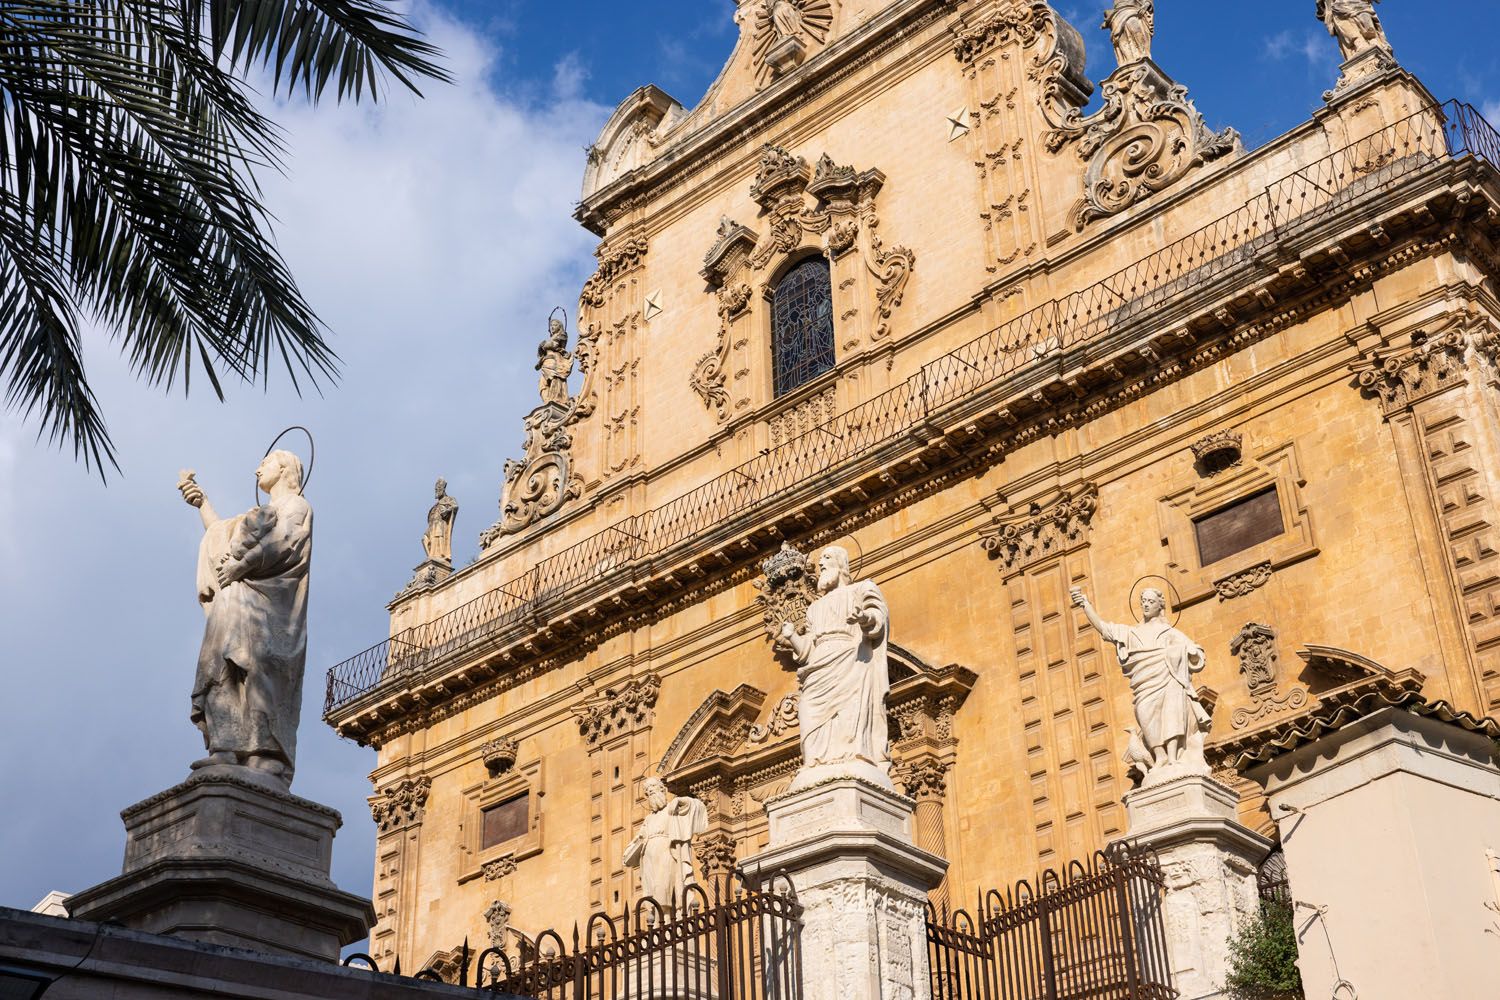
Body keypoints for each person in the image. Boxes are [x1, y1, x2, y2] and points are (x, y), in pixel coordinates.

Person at [177, 450, 312, 787]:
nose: (257, 468)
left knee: (259, 670)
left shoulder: (297, 507)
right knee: (220, 666)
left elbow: (288, 545)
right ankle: (225, 745)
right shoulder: (258, 514)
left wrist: (243, 565)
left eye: (264, 463)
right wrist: (203, 503)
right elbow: (222, 535)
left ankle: (264, 753)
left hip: (269, 609)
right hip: (232, 602)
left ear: (283, 469)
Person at [1070, 585, 1210, 775]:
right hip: (1144, 685)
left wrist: (1184, 651)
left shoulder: (1169, 632)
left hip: (1168, 680)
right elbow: (1104, 628)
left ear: (1160, 606)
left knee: (1171, 714)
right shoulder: (1131, 633)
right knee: (1144, 713)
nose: (1146, 605)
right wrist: (1085, 604)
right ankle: (1160, 756)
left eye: (1150, 601)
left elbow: (1196, 652)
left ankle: (1173, 757)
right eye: (1143, 601)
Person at [778, 546, 890, 779]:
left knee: (848, 720)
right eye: (819, 562)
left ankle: (852, 760)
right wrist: (792, 636)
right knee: (809, 714)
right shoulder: (815, 608)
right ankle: (816, 766)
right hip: (818, 668)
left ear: (841, 564)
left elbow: (877, 618)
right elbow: (809, 649)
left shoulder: (861, 589)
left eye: (826, 559)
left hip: (849, 659)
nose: (821, 565)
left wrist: (863, 618)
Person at [623, 778, 708, 910]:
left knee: (663, 891)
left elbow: (697, 806)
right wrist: (641, 839)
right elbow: (629, 853)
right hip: (648, 861)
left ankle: (668, 925)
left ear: (662, 790)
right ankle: (658, 926)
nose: (650, 793)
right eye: (648, 793)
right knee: (653, 897)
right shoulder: (649, 818)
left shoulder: (671, 809)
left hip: (666, 855)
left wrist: (680, 800)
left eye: (653, 789)